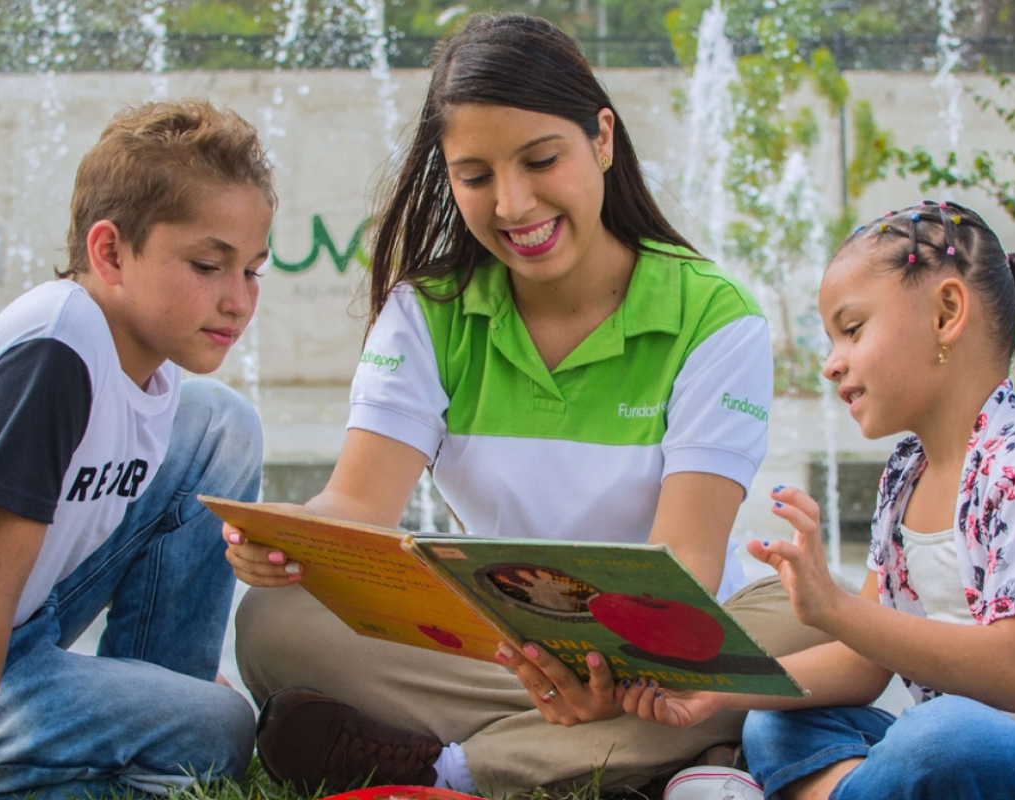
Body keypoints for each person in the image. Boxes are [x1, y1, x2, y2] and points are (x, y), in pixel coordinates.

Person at [228, 13, 834, 797]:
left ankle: (462, 768)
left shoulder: (714, 320)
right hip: (498, 650)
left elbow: (684, 559)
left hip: (658, 646)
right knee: (275, 624)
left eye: (541, 160)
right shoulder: (428, 310)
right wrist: (289, 544)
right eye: (475, 176)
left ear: (603, 140)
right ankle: (663, 754)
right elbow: (358, 501)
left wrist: (615, 668)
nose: (512, 205)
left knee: (811, 626)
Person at [613, 201, 1015, 800]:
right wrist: (718, 689)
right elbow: (863, 667)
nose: (829, 364)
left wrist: (834, 609)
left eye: (852, 329)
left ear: (947, 313)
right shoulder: (906, 474)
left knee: (940, 737)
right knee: (776, 720)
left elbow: (1012, 674)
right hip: (941, 757)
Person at [0, 99, 275, 800]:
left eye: (252, 271)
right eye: (207, 265)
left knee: (221, 426)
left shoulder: (150, 368)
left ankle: (160, 713)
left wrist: (157, 700)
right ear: (109, 253)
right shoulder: (58, 347)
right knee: (222, 728)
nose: (237, 300)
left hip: (12, 634)